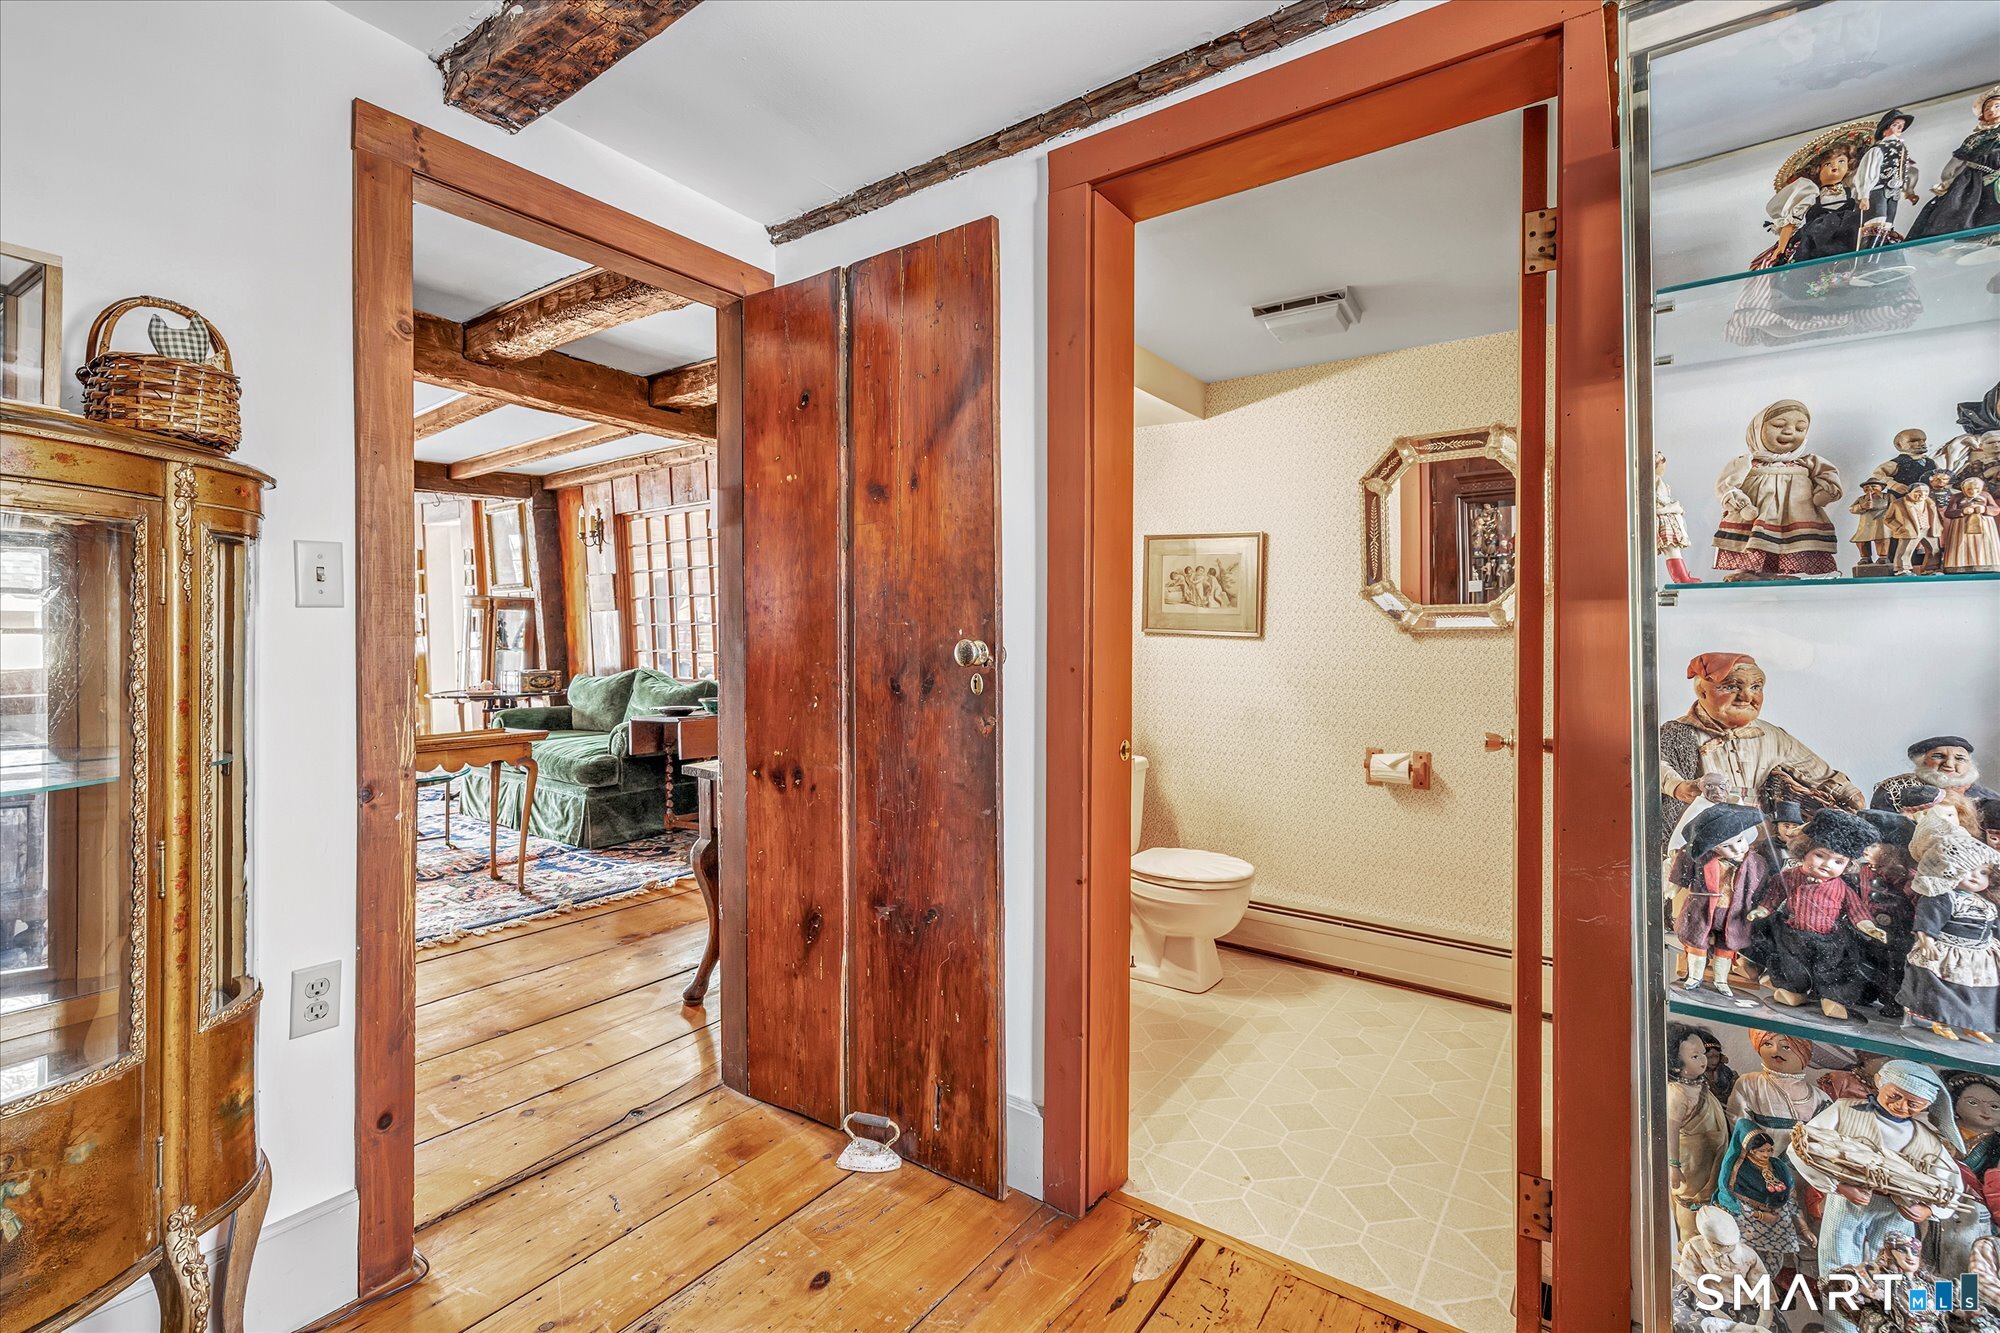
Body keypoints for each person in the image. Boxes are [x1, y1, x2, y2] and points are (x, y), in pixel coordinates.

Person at [1788, 1060, 1963, 1333]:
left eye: (1913, 1104)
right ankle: (1841, 1328)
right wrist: (1839, 1186)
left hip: (1897, 1209)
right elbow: (1801, 1147)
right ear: (1880, 1082)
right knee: (1837, 1268)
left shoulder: (1926, 1139)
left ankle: (1890, 1325)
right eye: (1895, 1096)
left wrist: (1927, 1210)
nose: (1901, 1106)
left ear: (1926, 1106)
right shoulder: (1845, 1111)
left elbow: (1952, 1185)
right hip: (1848, 1201)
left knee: (1897, 1272)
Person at [1658, 653, 1863, 868]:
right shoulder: (1678, 733)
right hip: (1709, 835)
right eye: (1731, 687)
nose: (1746, 697)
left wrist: (1849, 793)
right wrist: (1677, 787)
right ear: (1703, 692)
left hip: (1758, 832)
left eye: (1755, 687)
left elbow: (1814, 769)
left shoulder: (1771, 735)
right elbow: (1655, 767)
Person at [1750, 809, 1889, 1022]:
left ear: (1847, 865)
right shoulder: (1791, 876)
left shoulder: (1842, 888)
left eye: (1838, 862)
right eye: (1820, 855)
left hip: (1829, 939)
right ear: (1805, 851)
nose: (1826, 864)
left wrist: (1869, 927)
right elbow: (1774, 894)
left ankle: (1832, 999)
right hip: (1793, 934)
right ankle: (1794, 991)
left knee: (1832, 969)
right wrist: (1763, 910)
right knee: (1793, 966)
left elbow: (1856, 910)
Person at [1713, 400, 1844, 580]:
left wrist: (1826, 492)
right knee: (1755, 541)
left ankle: (1779, 572)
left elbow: (1828, 475)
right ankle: (1747, 571)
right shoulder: (1746, 463)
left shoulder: (1807, 462)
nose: (1790, 431)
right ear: (1757, 429)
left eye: (1800, 429)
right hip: (1755, 517)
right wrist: (1741, 505)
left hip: (1796, 515)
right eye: (1779, 425)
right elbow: (1726, 486)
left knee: (1789, 543)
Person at [1908, 87, 2000, 242]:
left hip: (1994, 179)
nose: (1991, 110)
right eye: (1987, 108)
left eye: (1997, 106)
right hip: (1975, 180)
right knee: (1961, 209)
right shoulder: (1975, 138)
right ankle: (1970, 239)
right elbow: (1958, 161)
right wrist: (1948, 178)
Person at [1669, 1021, 1731, 1243]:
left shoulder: (1700, 1084)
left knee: (1710, 1209)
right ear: (1676, 1065)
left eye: (1703, 1053)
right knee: (1690, 1213)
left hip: (1711, 1156)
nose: (1704, 1060)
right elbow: (1671, 1131)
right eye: (1695, 1056)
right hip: (1691, 1163)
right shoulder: (1677, 1093)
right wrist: (1673, 1166)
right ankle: (1689, 1249)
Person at [1873, 738, 2000, 812]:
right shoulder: (1894, 790)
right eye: (1938, 756)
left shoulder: (1987, 797)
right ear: (1923, 761)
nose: (1949, 764)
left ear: (1969, 764)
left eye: (1960, 758)